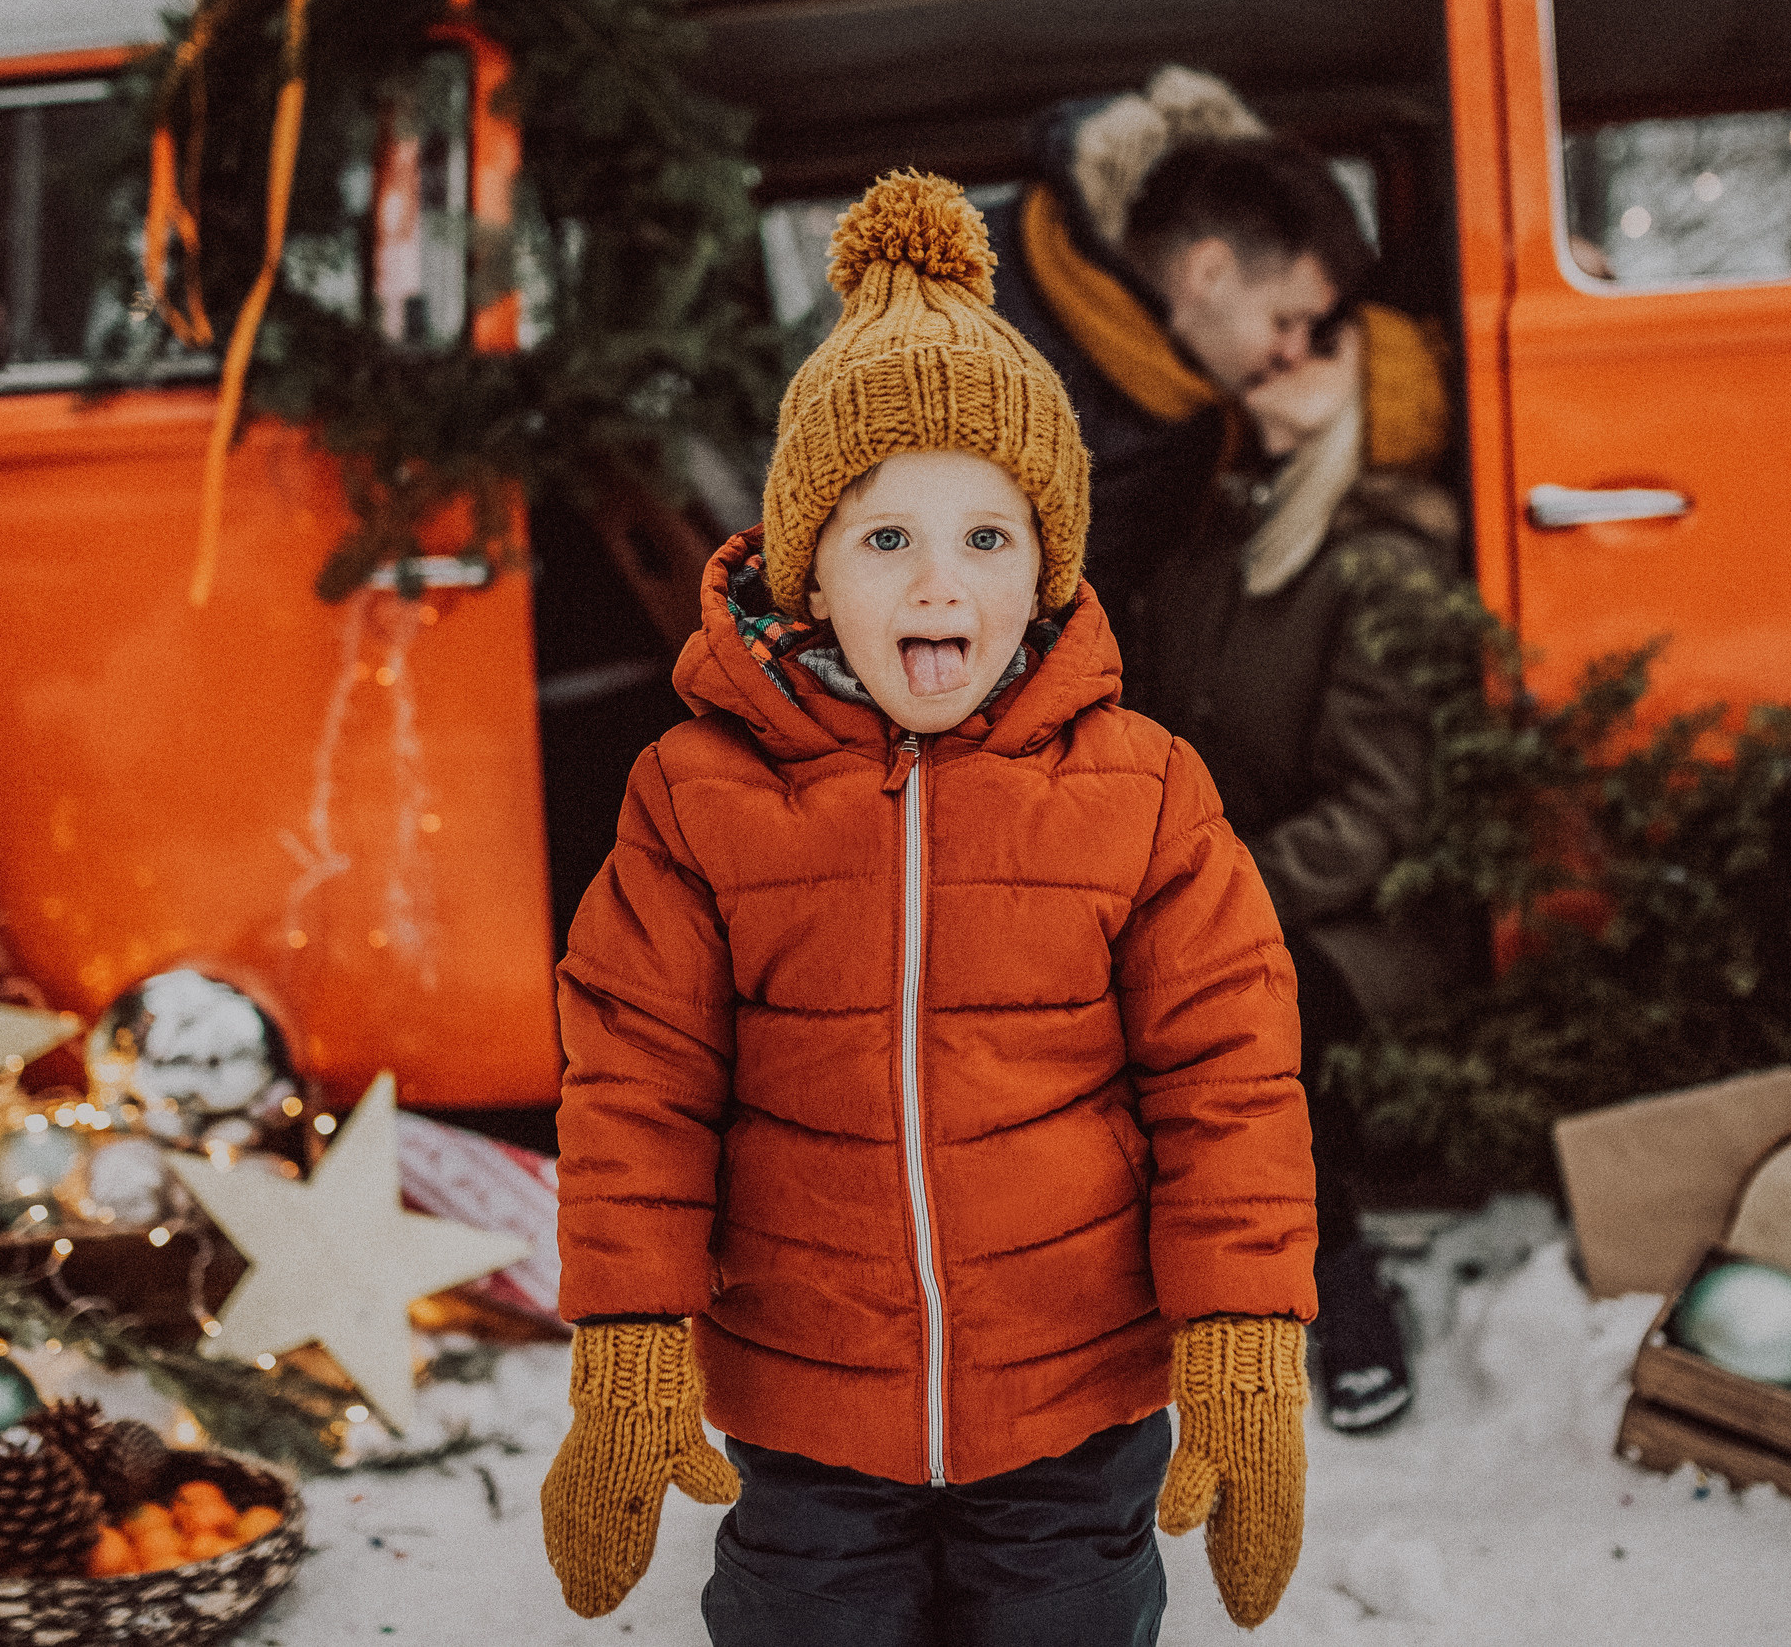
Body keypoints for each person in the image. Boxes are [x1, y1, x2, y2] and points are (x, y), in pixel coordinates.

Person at [537, 172, 1318, 1645]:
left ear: (1048, 569)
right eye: (885, 537)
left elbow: (1230, 1080)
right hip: (808, 1413)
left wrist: (1242, 1336)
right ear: (808, 569)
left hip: (1076, 1405)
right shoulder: (697, 795)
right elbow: (634, 1080)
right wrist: (632, 1346)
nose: (937, 580)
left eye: (988, 537)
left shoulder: (1144, 792)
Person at [1133, 307, 1466, 1436]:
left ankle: (1342, 1281)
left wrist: (1205, 901)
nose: (1284, 351)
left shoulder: (1381, 561)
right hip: (1220, 878)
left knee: (1249, 1010)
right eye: (1274, 333)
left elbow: (1378, 814)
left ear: (1387, 388)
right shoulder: (1224, 533)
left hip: (1358, 919)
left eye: (1325, 341)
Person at [988, 67, 1425, 691]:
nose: (1291, 353)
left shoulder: (1195, 418)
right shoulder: (964, 315)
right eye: (1285, 320)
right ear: (1210, 271)